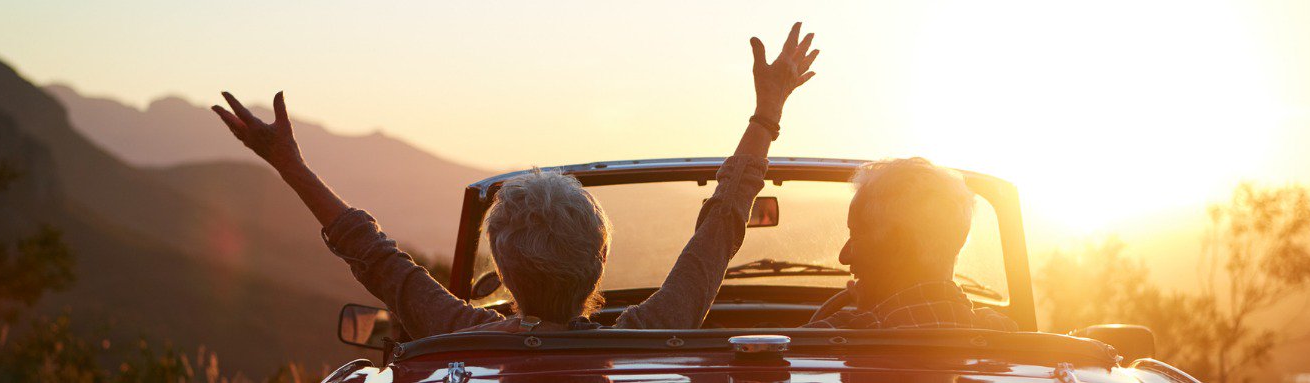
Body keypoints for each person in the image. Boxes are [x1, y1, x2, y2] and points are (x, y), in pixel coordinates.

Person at [210, 23, 820, 337]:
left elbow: (369, 251)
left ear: (502, 272)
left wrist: (289, 164)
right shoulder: (654, 331)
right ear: (600, 259)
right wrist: (767, 113)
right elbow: (722, 225)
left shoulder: (466, 336)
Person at [802, 158, 1018, 331]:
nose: (844, 255)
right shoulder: (1005, 335)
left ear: (897, 245)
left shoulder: (830, 335)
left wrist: (868, 313)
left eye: (856, 235)